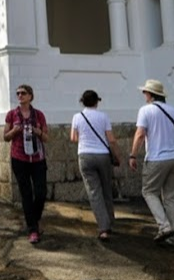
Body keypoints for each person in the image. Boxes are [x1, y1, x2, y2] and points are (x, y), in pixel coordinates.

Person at [128, 79, 174, 247]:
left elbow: (140, 134)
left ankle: (164, 226)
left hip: (156, 159)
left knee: (149, 192)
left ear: (150, 94)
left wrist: (133, 155)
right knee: (171, 198)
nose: (144, 95)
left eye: (145, 92)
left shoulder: (145, 111)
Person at [70, 89, 121, 241]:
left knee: (94, 192)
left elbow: (73, 138)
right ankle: (110, 221)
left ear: (82, 102)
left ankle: (103, 228)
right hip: (103, 155)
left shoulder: (77, 117)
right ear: (97, 101)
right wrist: (118, 155)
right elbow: (111, 139)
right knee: (106, 189)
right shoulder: (103, 116)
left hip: (85, 155)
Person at [3, 84, 49, 244]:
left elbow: (46, 137)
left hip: (38, 159)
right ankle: (33, 229)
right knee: (26, 194)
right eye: (18, 93)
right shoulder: (11, 115)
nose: (20, 96)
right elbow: (6, 137)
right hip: (19, 158)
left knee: (41, 192)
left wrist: (38, 132)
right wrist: (14, 131)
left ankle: (34, 221)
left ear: (30, 96)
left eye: (23, 93)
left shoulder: (39, 115)